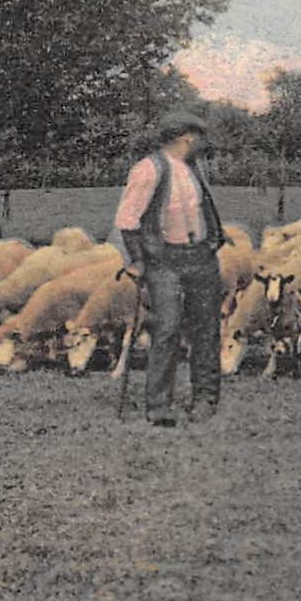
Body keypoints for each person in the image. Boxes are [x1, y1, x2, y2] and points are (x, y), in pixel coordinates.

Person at [113, 109, 226, 427]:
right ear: (186, 137)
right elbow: (126, 220)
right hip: (165, 262)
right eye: (197, 137)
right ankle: (159, 404)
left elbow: (204, 208)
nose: (200, 143)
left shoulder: (193, 168)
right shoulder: (148, 170)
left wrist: (214, 241)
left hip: (201, 257)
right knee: (168, 328)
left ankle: (205, 398)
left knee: (206, 330)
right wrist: (137, 261)